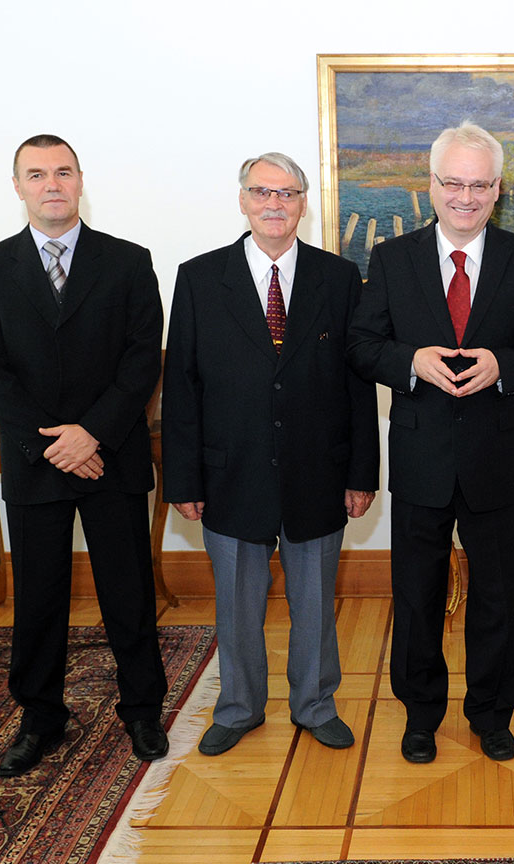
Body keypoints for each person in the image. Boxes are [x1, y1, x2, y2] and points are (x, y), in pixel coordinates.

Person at [348, 122, 514, 764]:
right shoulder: (393, 259)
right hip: (420, 457)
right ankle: (420, 716)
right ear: (432, 185)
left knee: (497, 595)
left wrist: (505, 366)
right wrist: (410, 361)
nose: (465, 197)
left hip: (494, 458)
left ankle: (491, 714)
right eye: (453, 183)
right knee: (416, 596)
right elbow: (362, 345)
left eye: (479, 185)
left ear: (497, 188)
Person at [0, 134, 168, 776]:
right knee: (39, 597)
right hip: (36, 459)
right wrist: (54, 444)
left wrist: (92, 434)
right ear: (17, 186)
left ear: (80, 181)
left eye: (63, 172)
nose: (52, 184)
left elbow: (142, 359)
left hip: (112, 455)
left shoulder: (128, 261)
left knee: (128, 591)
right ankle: (41, 717)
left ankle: (142, 709)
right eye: (36, 174)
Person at [162, 152, 379, 756]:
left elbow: (359, 385)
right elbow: (182, 386)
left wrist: (361, 472)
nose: (274, 204)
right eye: (262, 192)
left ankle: (315, 705)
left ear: (303, 203)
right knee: (236, 606)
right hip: (229, 474)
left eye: (287, 194)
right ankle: (238, 708)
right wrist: (183, 479)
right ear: (243, 200)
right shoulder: (200, 278)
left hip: (319, 472)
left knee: (314, 604)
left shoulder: (339, 278)